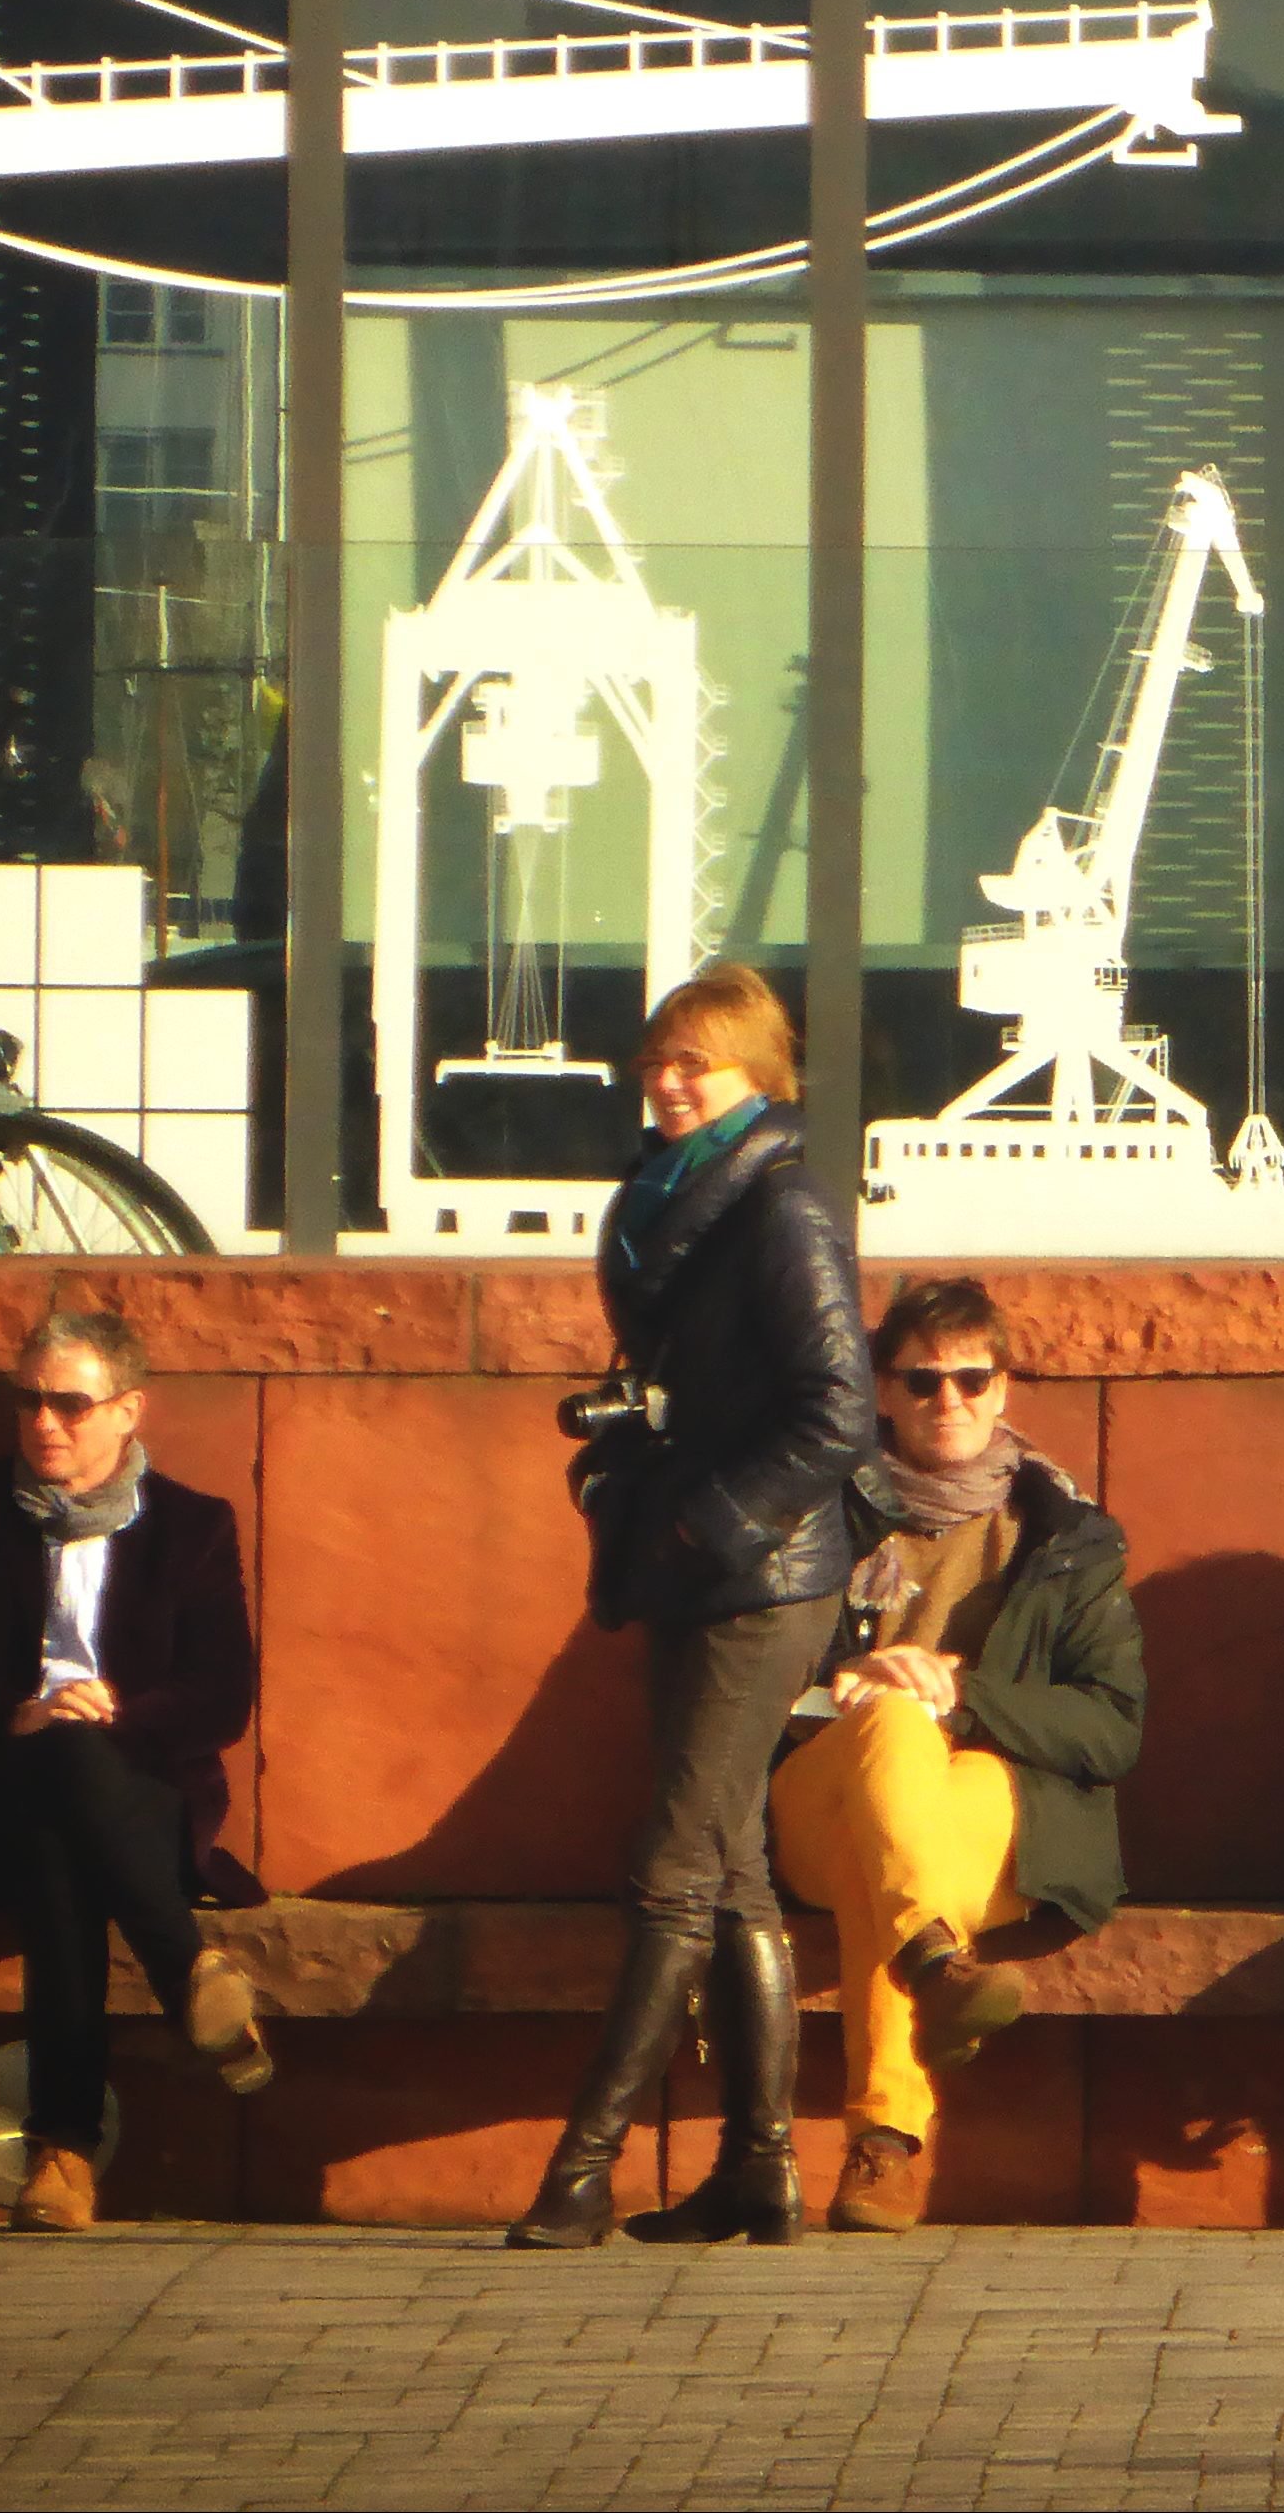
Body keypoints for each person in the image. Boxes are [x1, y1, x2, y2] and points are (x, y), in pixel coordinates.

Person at [507, 959, 875, 2253]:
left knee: (672, 1869)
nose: (665, 1084)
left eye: (694, 1065)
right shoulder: (681, 1196)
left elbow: (842, 1410)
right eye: (656, 1061)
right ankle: (760, 2172)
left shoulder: (782, 1206)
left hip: (761, 1575)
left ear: (757, 1078)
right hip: (696, 1566)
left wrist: (710, 1516)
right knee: (730, 1870)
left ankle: (581, 2173)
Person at [0, 1303, 271, 2232]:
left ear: (129, 1410)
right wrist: (19, 1713)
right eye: (28, 1401)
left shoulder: (192, 1527)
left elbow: (220, 1697)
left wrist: (113, 1714)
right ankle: (186, 1969)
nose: (43, 1422)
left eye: (70, 1404)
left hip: (136, 1800)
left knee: (66, 1827)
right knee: (52, 1774)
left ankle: (64, 2150)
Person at [765, 1275, 1145, 2234]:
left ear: (1003, 1388)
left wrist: (966, 1695)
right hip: (821, 1788)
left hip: (987, 1807)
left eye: (973, 1380)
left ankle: (890, 2124)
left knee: (890, 1873)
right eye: (923, 1381)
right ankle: (934, 1975)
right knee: (894, 1733)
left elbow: (1111, 1728)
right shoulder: (818, 1514)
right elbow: (744, 1682)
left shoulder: (1065, 1534)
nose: (951, 1401)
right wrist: (858, 1680)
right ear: (883, 1392)